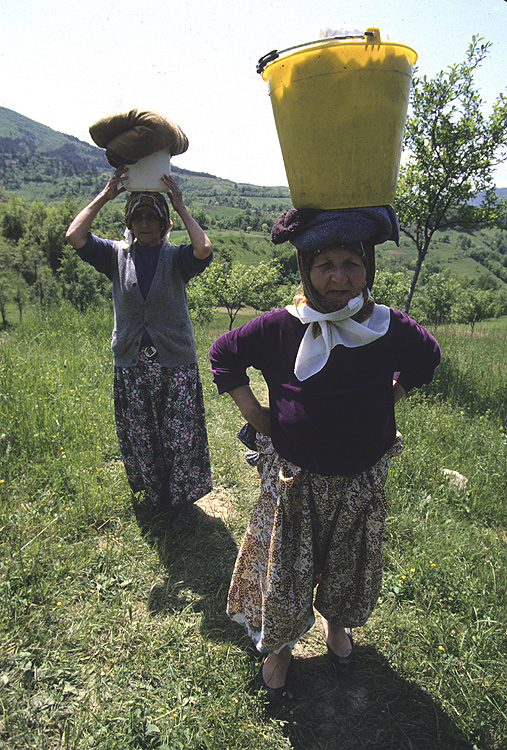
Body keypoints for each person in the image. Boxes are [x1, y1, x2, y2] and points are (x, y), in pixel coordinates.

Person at [208, 206, 441, 707]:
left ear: (368, 268)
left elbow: (428, 358)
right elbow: (223, 353)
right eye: (325, 264)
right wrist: (254, 411)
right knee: (287, 568)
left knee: (347, 561)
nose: (339, 277)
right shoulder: (279, 327)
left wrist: (391, 398)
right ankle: (280, 651)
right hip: (296, 476)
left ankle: (337, 630)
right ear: (306, 273)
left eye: (351, 263)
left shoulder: (387, 326)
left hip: (361, 473)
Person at [66, 167, 213, 521]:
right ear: (130, 221)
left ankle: (182, 501)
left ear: (164, 224)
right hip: (132, 363)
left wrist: (179, 206)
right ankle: (157, 496)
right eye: (138, 216)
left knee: (178, 434)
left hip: (173, 361)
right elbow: (74, 235)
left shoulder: (176, 257)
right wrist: (105, 196)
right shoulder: (115, 255)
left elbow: (203, 248)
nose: (144, 223)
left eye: (152, 217)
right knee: (143, 433)